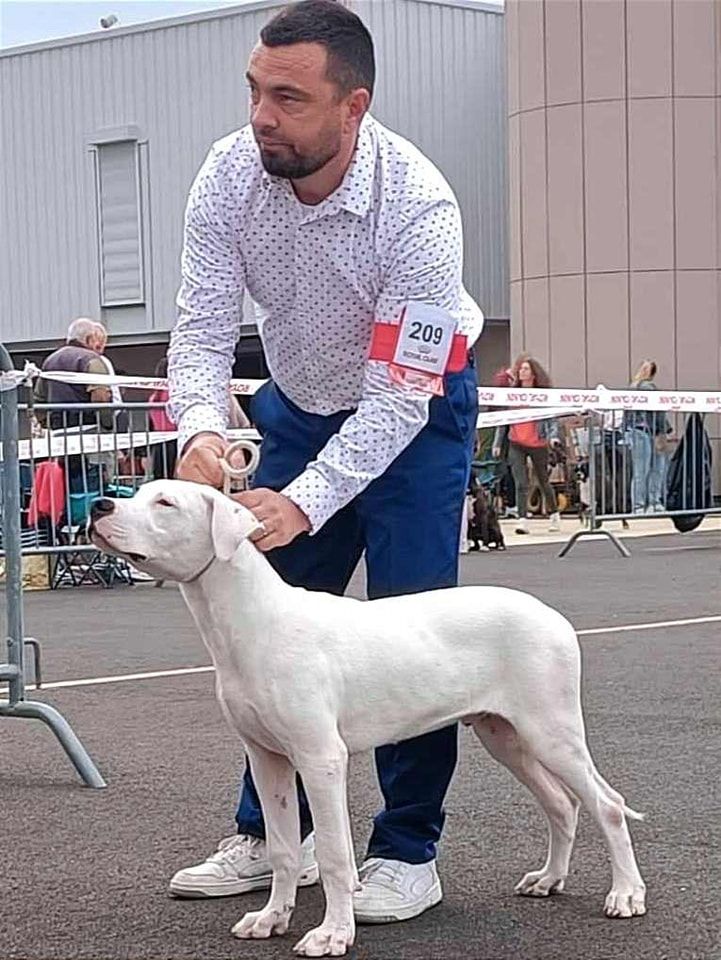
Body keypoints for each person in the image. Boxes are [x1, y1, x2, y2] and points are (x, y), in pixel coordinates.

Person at [166, 0, 483, 925]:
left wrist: (305, 499)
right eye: (254, 91)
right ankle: (273, 840)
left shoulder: (418, 208)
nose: (260, 117)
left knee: (413, 624)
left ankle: (406, 851)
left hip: (416, 410)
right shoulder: (228, 173)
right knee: (269, 622)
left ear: (353, 107)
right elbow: (201, 327)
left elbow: (396, 399)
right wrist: (199, 427)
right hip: (300, 402)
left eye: (288, 98)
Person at [34, 317, 114, 492]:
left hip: (59, 434)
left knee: (67, 483)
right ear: (89, 339)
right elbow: (100, 395)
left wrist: (50, 423)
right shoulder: (92, 360)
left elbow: (38, 400)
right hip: (90, 431)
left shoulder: (50, 361)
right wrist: (107, 424)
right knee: (96, 481)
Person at [492, 354, 561, 534]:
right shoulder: (513, 393)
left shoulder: (542, 395)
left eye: (526, 369)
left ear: (533, 373)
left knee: (543, 480)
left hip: (538, 443)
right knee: (521, 482)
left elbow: (551, 418)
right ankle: (522, 520)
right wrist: (497, 443)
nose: (522, 372)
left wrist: (553, 437)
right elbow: (503, 419)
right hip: (516, 442)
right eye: (521, 369)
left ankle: (554, 514)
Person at [624, 360, 672, 514]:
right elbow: (659, 411)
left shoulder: (632, 388)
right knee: (657, 468)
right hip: (650, 430)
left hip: (637, 430)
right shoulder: (649, 388)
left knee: (641, 470)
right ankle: (654, 502)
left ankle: (638, 505)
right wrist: (662, 432)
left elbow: (627, 414)